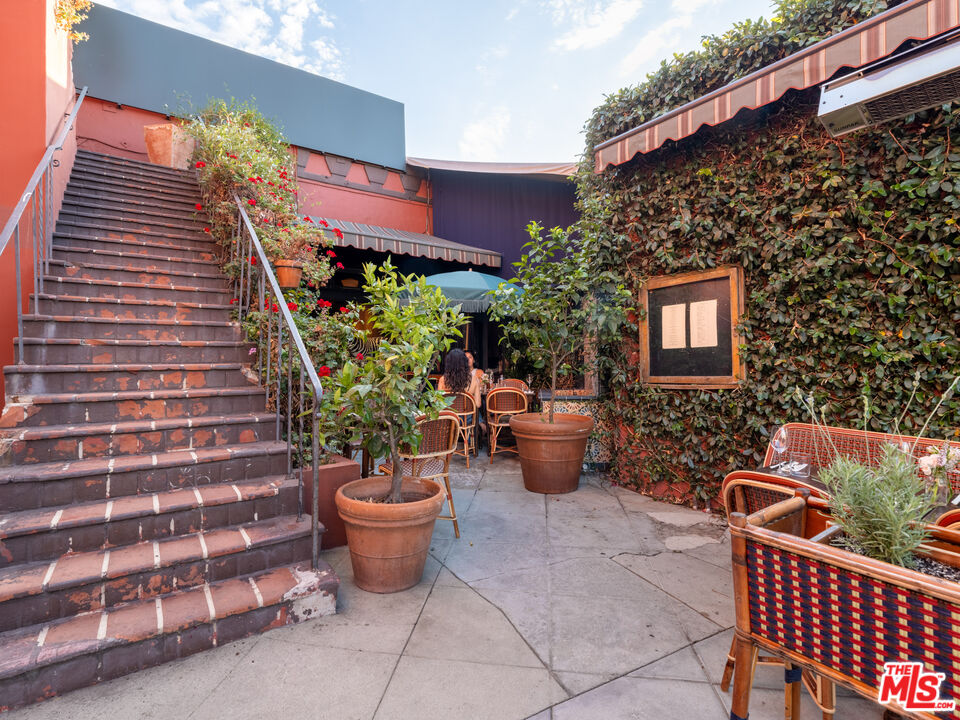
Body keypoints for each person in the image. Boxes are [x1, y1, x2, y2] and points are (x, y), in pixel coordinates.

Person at [438, 349, 485, 435]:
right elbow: (478, 404)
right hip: (466, 419)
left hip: (449, 419)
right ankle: (469, 439)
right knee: (473, 416)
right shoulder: (474, 380)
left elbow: (438, 404)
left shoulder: (442, 380)